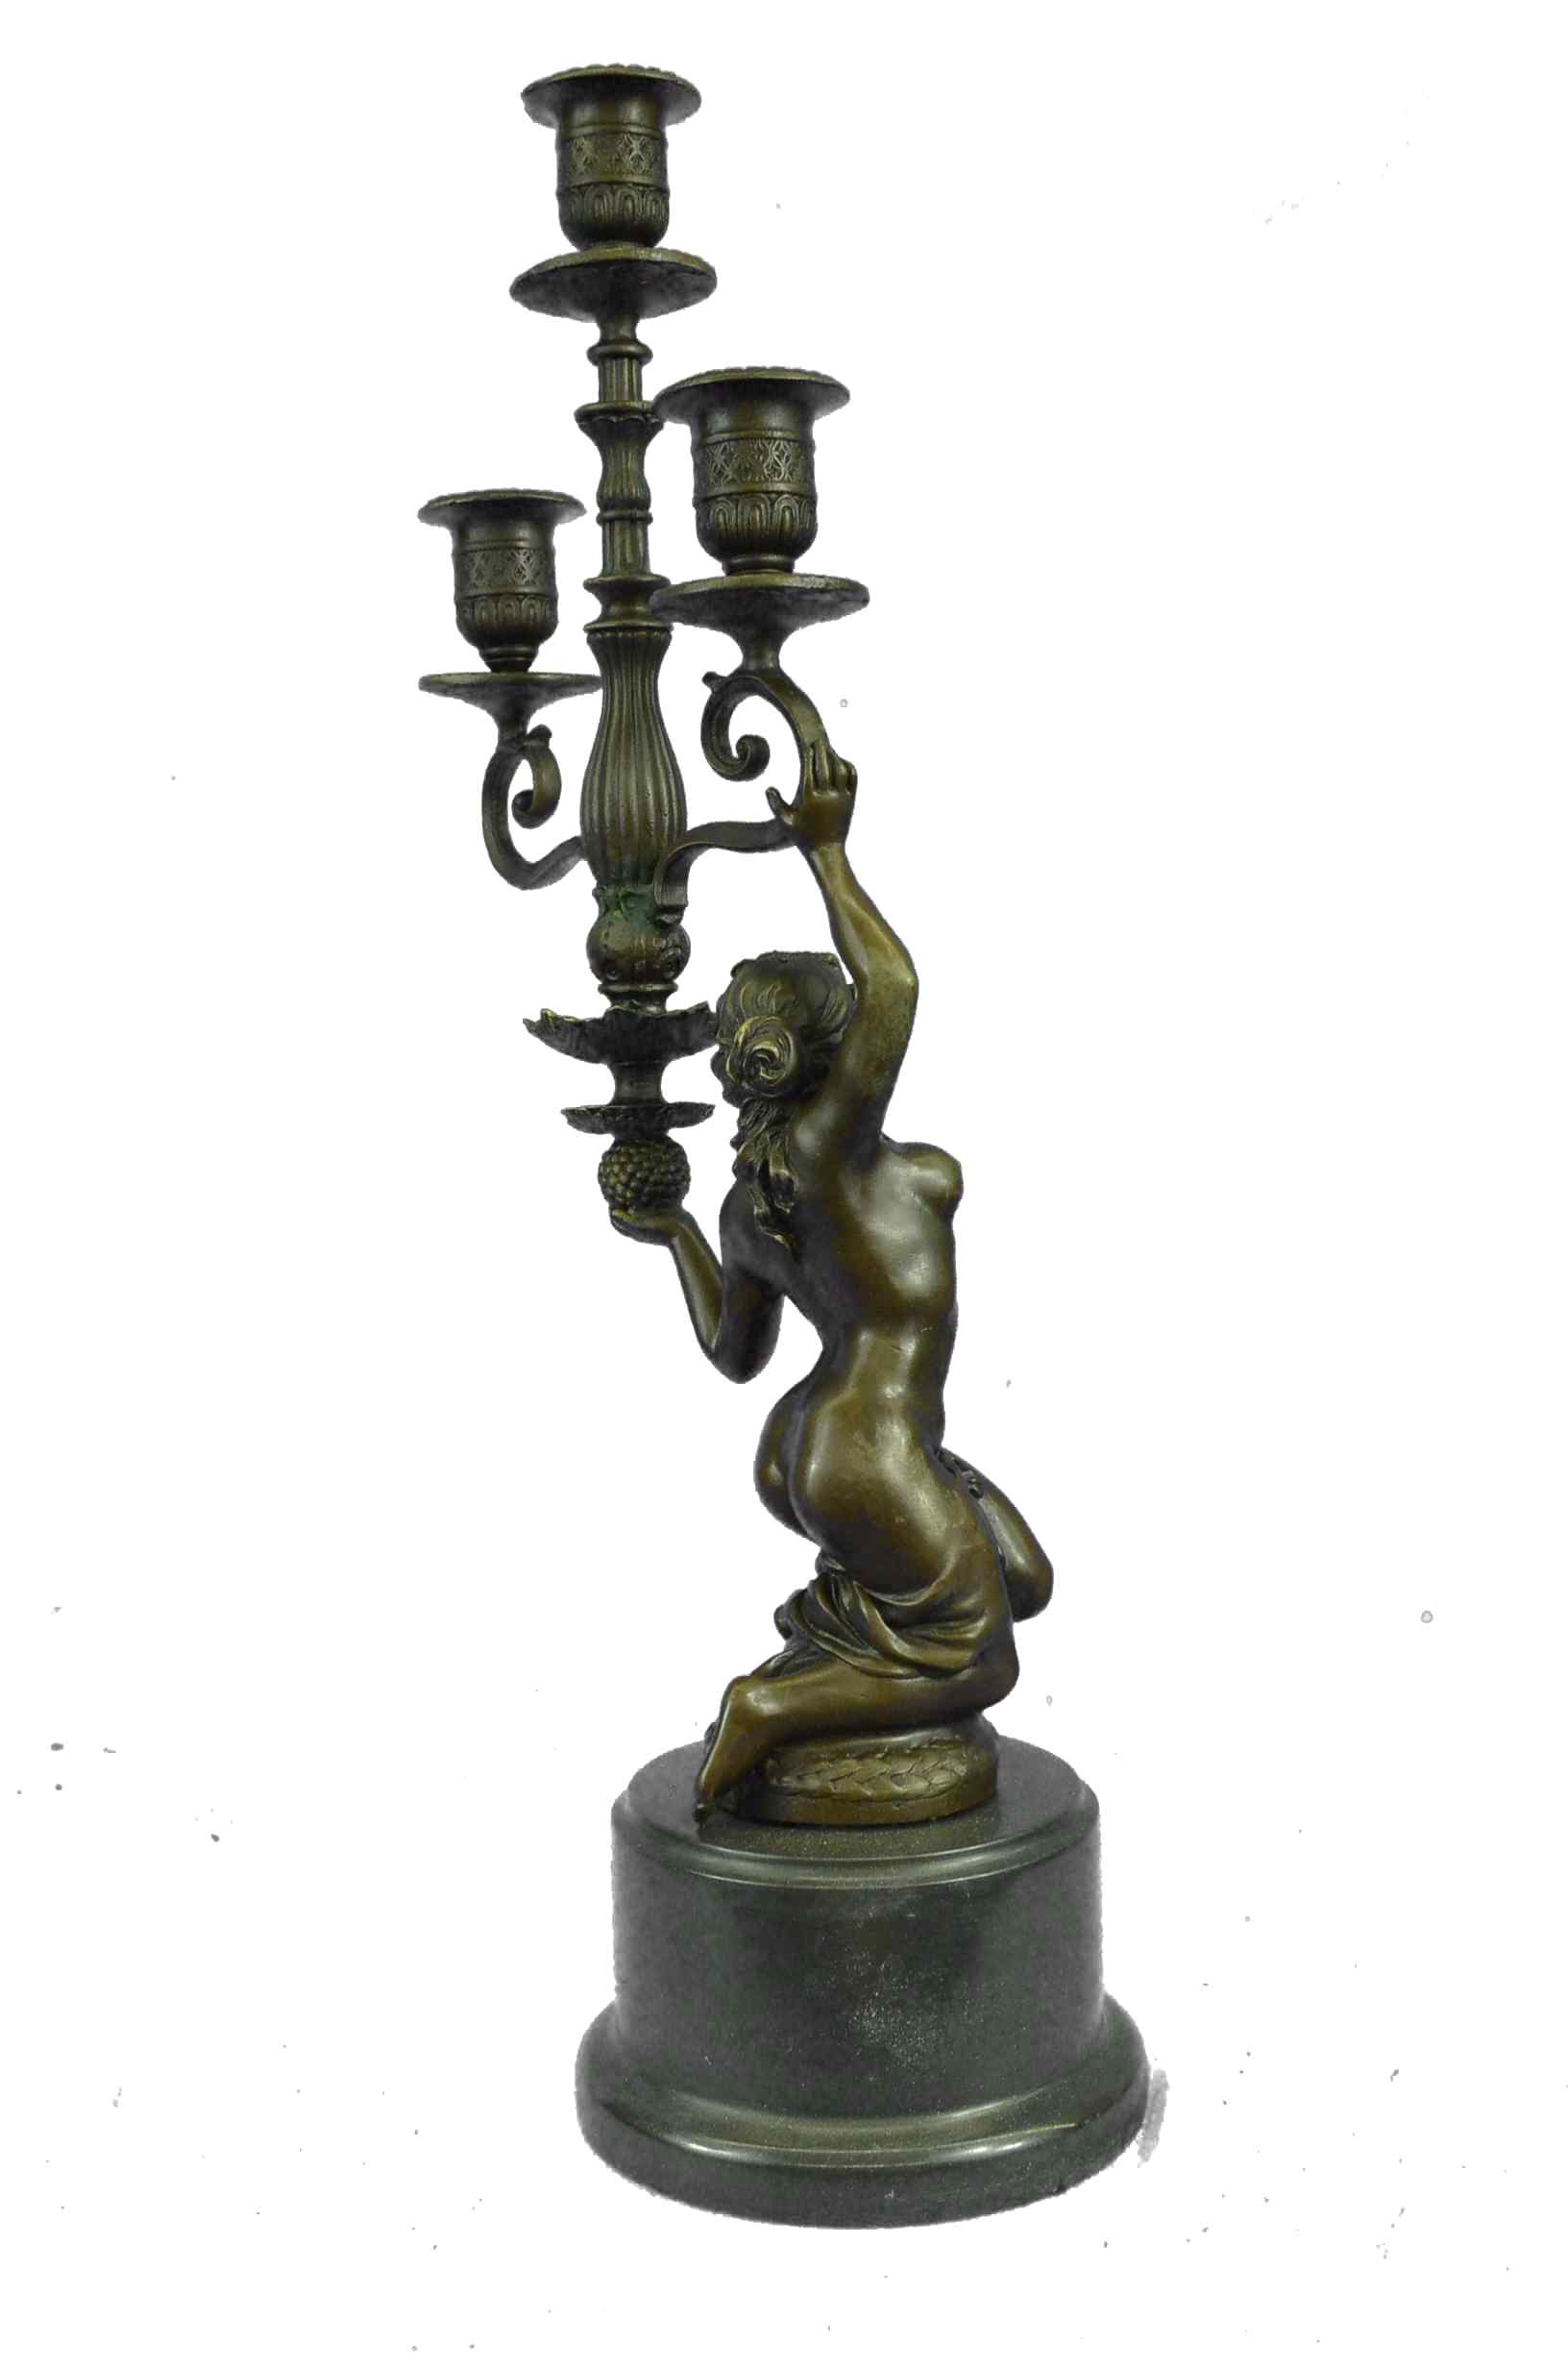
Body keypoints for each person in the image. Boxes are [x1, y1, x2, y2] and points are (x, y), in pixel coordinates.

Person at [613, 741, 1052, 1804]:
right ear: (829, 1051)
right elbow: (894, 983)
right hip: (870, 1445)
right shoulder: (827, 1153)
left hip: (826, 1441)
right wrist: (827, 853)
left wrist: (674, 1230)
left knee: (1025, 1580)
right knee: (981, 1658)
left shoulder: (754, 1201)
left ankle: (838, 1662)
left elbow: (736, 1355)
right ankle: (768, 1713)